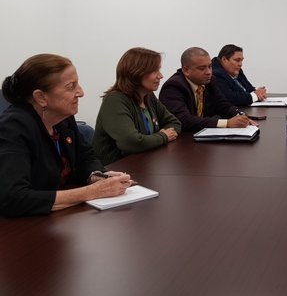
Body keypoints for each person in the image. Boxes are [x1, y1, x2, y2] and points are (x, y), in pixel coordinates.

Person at [0, 54, 132, 216]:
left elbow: (86, 158)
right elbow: (13, 198)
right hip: (21, 230)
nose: (81, 92)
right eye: (71, 86)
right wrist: (91, 192)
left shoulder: (63, 118)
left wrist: (97, 176)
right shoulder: (13, 128)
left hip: (60, 219)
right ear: (41, 97)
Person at [93, 48, 181, 165]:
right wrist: (162, 137)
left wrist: (152, 140)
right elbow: (131, 142)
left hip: (145, 163)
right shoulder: (115, 100)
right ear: (136, 72)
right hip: (116, 170)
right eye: (154, 71)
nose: (161, 76)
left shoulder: (148, 96)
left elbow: (175, 123)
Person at [159, 47, 252, 133]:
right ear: (186, 70)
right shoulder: (173, 86)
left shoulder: (210, 81)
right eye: (202, 68)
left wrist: (240, 115)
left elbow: (223, 104)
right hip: (183, 142)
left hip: (203, 137)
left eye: (210, 66)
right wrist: (226, 123)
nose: (208, 72)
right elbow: (184, 120)